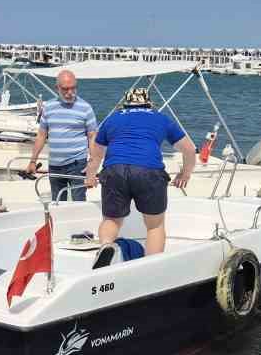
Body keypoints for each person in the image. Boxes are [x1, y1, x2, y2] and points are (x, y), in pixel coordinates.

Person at [85, 88, 196, 261]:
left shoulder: (113, 119)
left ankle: (106, 246)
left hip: (115, 169)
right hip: (149, 171)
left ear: (125, 104)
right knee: (154, 225)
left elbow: (96, 155)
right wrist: (185, 174)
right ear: (149, 103)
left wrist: (90, 177)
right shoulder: (160, 118)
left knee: (112, 220)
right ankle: (150, 266)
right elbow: (189, 149)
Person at [25, 69, 95, 201]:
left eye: (73, 88)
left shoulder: (86, 108)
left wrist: (92, 164)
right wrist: (33, 161)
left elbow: (92, 137)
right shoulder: (49, 107)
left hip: (77, 165)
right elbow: (41, 135)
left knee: (78, 203)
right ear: (56, 88)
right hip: (55, 165)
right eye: (65, 89)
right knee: (57, 203)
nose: (70, 93)